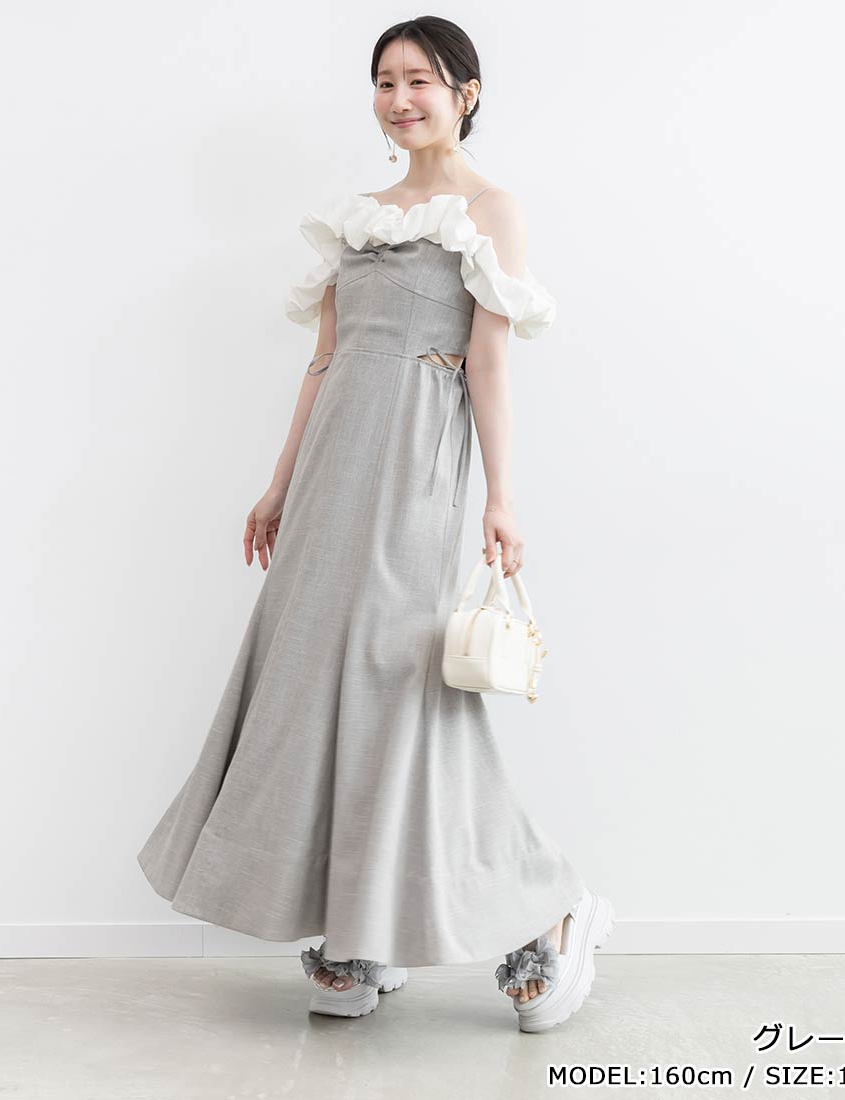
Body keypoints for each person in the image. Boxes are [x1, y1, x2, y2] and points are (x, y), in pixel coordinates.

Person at [137, 16, 613, 1032]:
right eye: (384, 81)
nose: (400, 100)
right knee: (315, 684)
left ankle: (546, 904)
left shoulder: (489, 211)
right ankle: (359, 930)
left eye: (420, 81)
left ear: (465, 93)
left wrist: (499, 495)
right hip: (329, 475)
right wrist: (279, 482)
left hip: (415, 470)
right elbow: (323, 359)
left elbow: (489, 361)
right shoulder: (356, 217)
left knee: (401, 689)